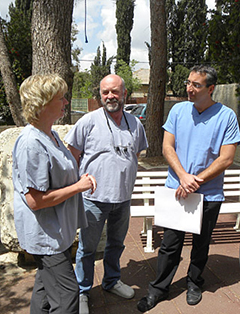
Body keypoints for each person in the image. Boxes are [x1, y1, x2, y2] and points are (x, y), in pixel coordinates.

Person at [137, 65, 240, 312]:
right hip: (177, 191)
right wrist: (184, 177)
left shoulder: (226, 116)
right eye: (188, 83)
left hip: (209, 194)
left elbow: (226, 158)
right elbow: (167, 147)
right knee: (170, 245)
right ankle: (159, 289)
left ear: (211, 88)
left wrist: (196, 181)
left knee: (201, 243)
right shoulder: (178, 110)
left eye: (196, 85)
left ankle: (195, 282)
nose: (189, 89)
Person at [12, 74, 97, 314]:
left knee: (44, 288)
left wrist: (77, 180)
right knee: (67, 295)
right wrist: (78, 187)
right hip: (47, 236)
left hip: (57, 231)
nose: (66, 102)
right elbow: (35, 200)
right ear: (42, 103)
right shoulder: (31, 143)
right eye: (61, 98)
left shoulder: (52, 135)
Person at [65, 74, 148, 314]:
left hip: (123, 199)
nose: (110, 96)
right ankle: (82, 291)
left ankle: (111, 281)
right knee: (87, 249)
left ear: (124, 94)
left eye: (115, 92)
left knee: (116, 244)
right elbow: (72, 156)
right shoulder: (88, 122)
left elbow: (136, 155)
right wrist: (78, 182)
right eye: (105, 92)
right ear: (100, 95)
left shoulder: (135, 123)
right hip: (92, 200)